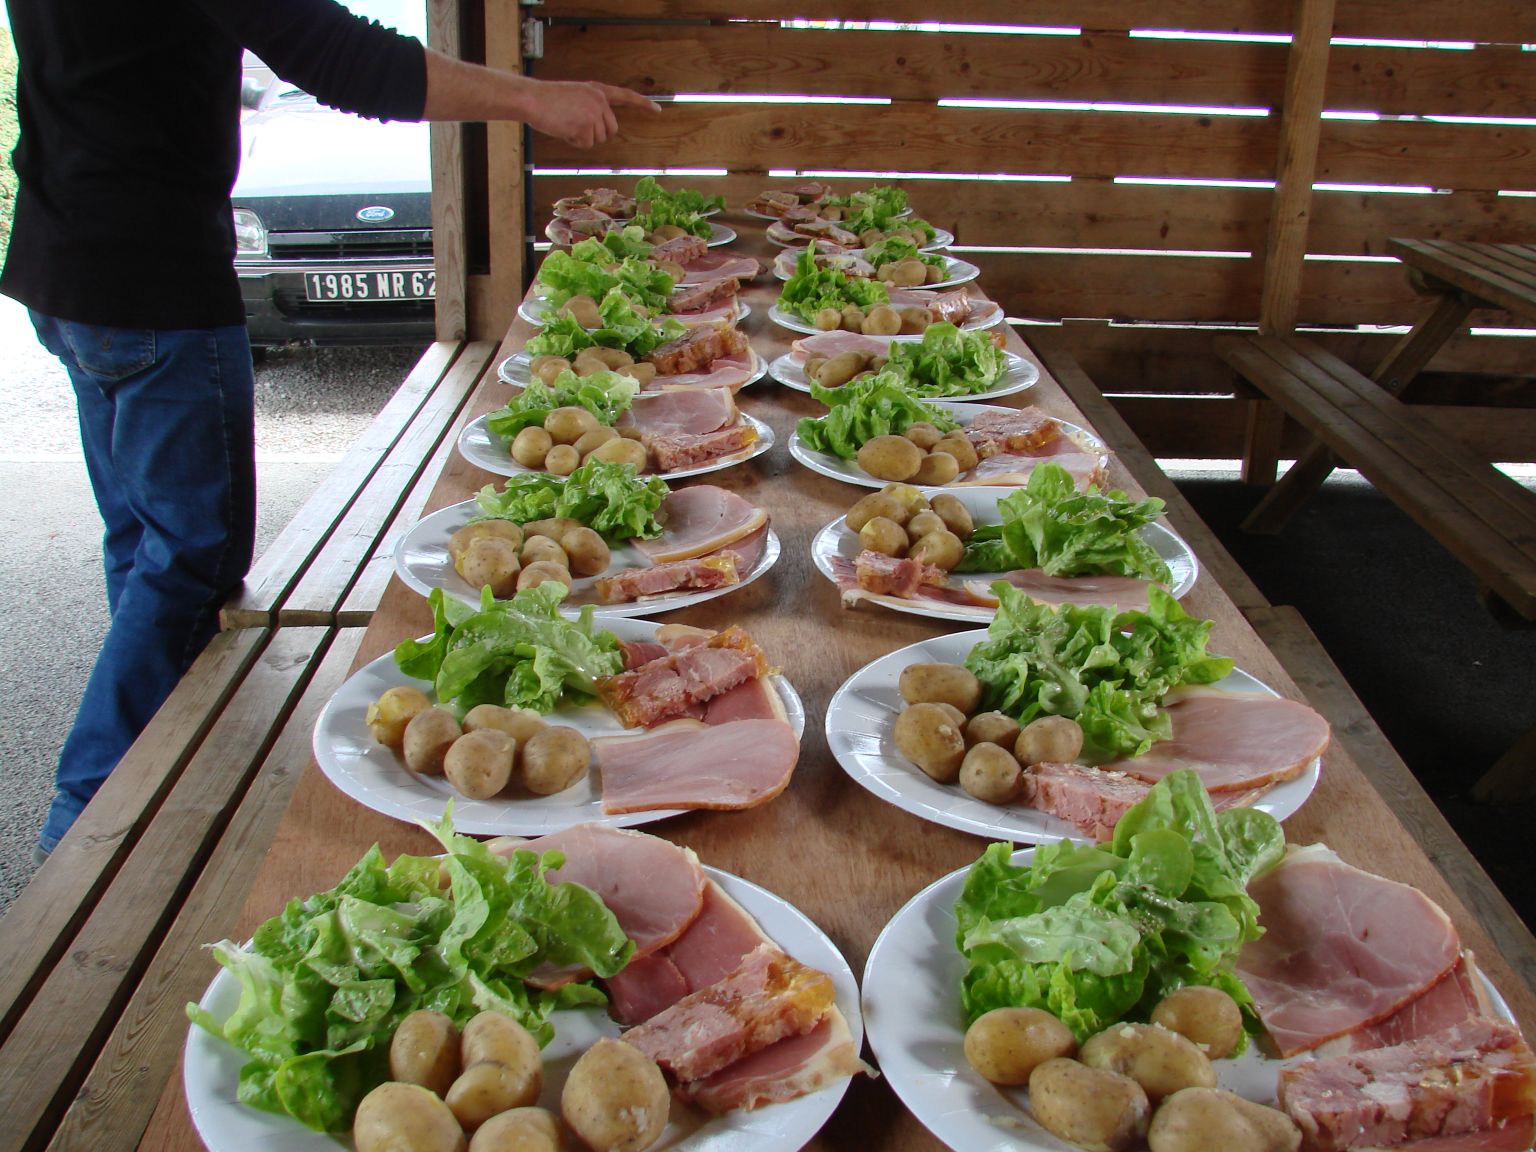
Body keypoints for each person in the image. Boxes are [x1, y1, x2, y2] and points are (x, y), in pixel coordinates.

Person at [2, 0, 658, 861]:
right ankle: (87, 821)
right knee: (189, 565)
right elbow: (344, 58)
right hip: (154, 281)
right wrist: (534, 98)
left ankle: (149, 779)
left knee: (143, 547)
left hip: (63, 268)